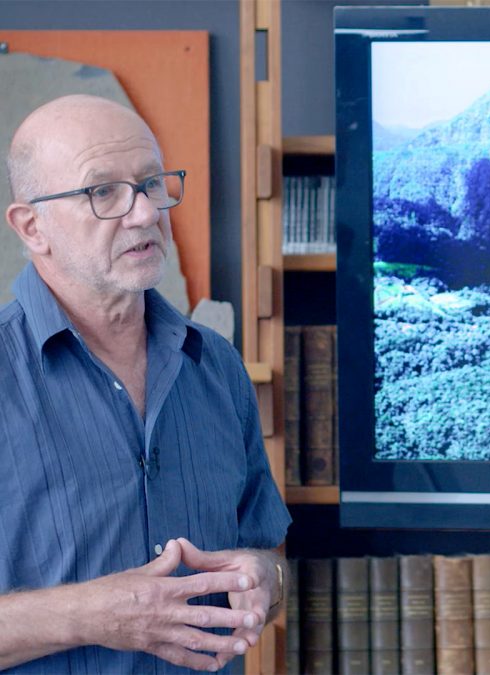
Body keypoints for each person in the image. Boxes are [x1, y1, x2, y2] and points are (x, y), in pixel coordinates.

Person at [0, 94, 291, 672]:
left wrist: (266, 578)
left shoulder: (217, 366)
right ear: (33, 226)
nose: (144, 213)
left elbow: (270, 551)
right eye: (101, 191)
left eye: (152, 183)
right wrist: (92, 614)